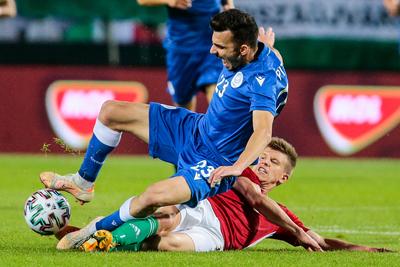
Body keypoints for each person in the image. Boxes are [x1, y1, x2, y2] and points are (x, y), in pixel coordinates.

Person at [41, 9, 310, 251]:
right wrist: (268, 46)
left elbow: (263, 132)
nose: (212, 52)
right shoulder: (260, 50)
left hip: (215, 161)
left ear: (242, 49)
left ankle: (94, 229)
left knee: (153, 197)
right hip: (194, 129)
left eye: (219, 46)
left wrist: (238, 167)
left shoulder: (262, 83)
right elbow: (269, 53)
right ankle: (83, 183)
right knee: (111, 112)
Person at [75, 137, 391, 253]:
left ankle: (110, 239)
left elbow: (317, 240)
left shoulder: (279, 216)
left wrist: (367, 250)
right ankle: (106, 237)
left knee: (169, 245)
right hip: (202, 210)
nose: (264, 162)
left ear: (284, 177)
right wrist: (297, 230)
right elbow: (255, 198)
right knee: (169, 213)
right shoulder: (238, 171)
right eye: (264, 156)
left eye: (274, 162)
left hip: (218, 239)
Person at [136, 0, 234, 111]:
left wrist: (228, 4)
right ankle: (190, 127)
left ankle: (218, 127)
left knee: (219, 105)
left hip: (210, 44)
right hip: (181, 48)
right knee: (183, 107)